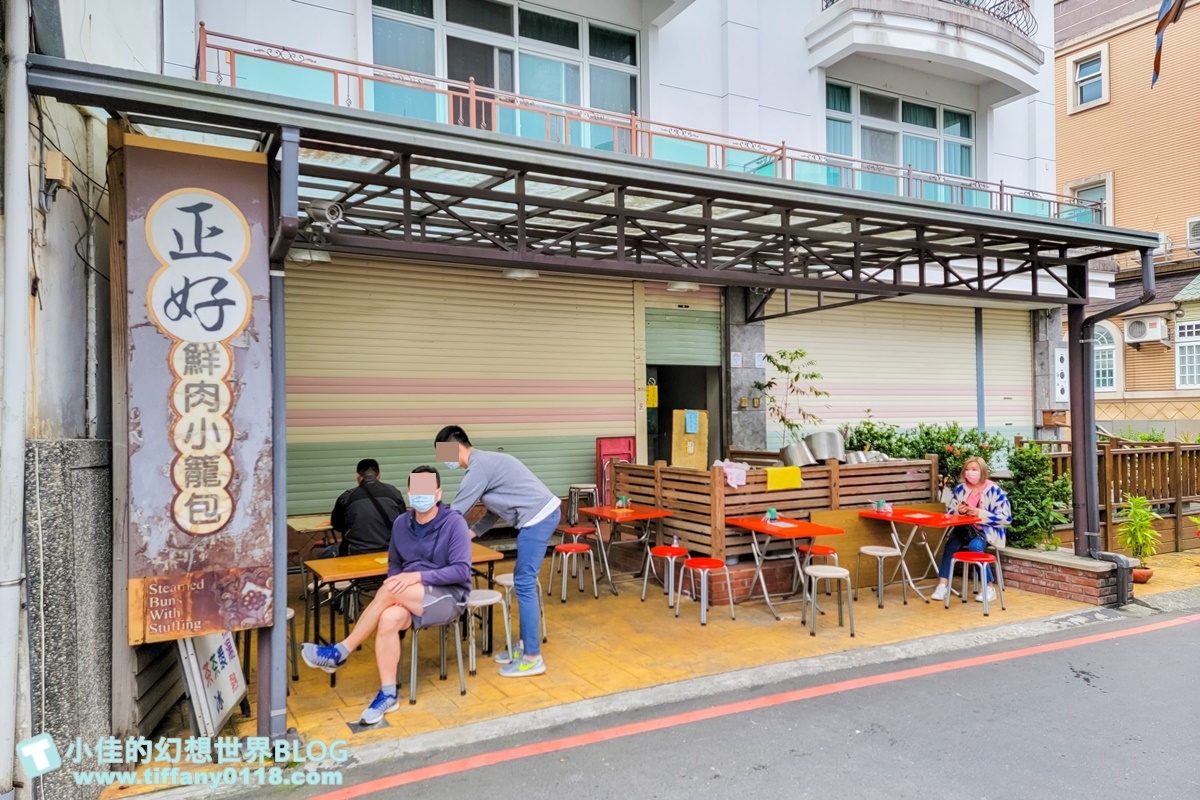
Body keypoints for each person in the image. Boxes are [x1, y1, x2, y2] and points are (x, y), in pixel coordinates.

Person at [301, 466, 472, 725]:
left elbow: (460, 570)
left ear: (438, 493)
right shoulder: (401, 524)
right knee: (389, 618)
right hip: (410, 594)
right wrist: (399, 580)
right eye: (416, 490)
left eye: (427, 490)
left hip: (449, 596)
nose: (421, 495)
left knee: (390, 589)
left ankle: (341, 651)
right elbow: (394, 564)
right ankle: (389, 693)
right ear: (409, 493)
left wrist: (416, 577)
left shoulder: (454, 523)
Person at [435, 425, 559, 678]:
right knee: (523, 580)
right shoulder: (487, 463)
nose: (444, 460)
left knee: (523, 582)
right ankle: (525, 646)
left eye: (443, 453)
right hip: (538, 517)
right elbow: (493, 511)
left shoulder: (478, 468)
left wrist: (434, 537)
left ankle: (532, 657)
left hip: (537, 519)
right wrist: (471, 533)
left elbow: (457, 510)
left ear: (455, 446)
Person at [931, 456, 1011, 603]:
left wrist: (979, 513)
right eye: (967, 470)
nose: (970, 473)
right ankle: (943, 585)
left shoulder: (994, 490)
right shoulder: (961, 489)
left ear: (982, 471)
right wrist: (959, 511)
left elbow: (1006, 518)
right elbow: (949, 512)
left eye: (974, 469)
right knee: (950, 545)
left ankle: (989, 588)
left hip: (985, 531)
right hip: (964, 529)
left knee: (975, 546)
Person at [329, 458, 407, 556]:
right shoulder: (394, 493)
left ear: (358, 475)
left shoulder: (347, 497)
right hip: (390, 551)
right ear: (379, 475)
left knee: (324, 553)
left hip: (355, 552)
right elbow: (403, 521)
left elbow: (337, 526)